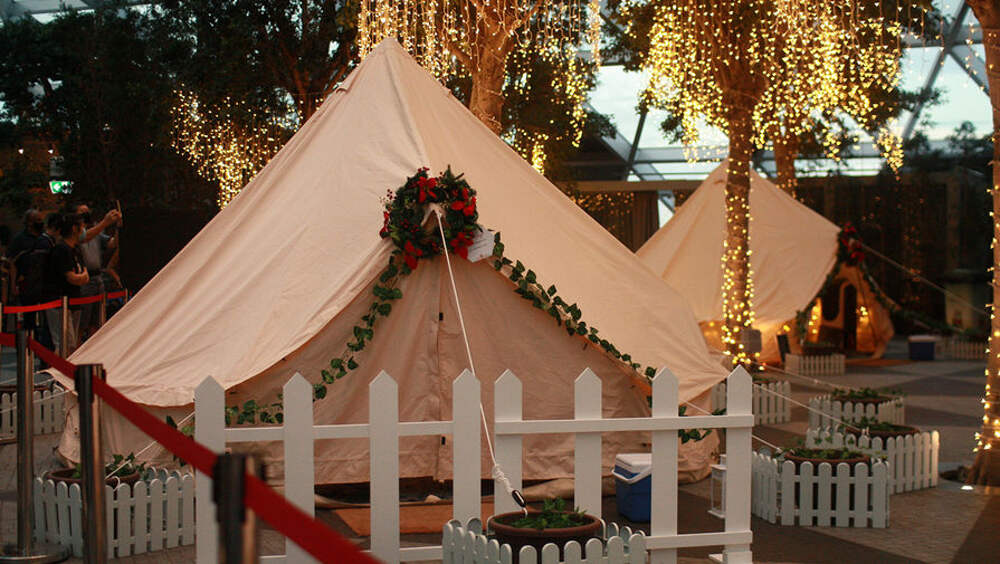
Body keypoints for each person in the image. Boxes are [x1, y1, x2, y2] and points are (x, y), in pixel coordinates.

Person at [42, 213, 88, 356]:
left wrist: (81, 277)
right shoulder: (61, 250)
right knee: (64, 343)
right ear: (74, 228)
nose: (84, 229)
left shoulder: (75, 249)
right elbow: (72, 277)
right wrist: (81, 277)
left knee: (71, 343)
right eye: (82, 226)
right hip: (59, 302)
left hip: (73, 301)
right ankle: (58, 369)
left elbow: (85, 275)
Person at [74, 204, 120, 339]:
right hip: (84, 279)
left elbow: (112, 243)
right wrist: (105, 222)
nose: (85, 215)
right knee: (82, 322)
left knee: (97, 321)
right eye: (82, 213)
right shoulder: (75, 233)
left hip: (97, 278)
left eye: (87, 212)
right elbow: (83, 237)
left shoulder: (97, 234)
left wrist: (118, 227)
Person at [9, 209, 45, 304]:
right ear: (29, 222)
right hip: (26, 284)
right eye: (38, 220)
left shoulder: (44, 238)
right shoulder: (19, 239)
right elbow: (13, 262)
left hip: (43, 284)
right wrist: (13, 285)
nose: (41, 223)